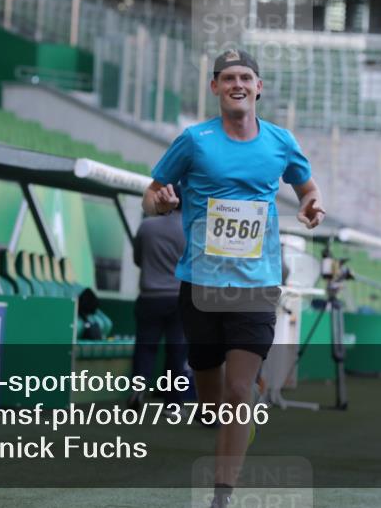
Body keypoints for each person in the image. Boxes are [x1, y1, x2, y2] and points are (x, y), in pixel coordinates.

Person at [142, 48, 325, 508]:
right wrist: (162, 202)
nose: (237, 84)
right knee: (210, 405)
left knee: (239, 389)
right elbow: (152, 194)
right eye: (228, 78)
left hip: (256, 285)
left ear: (259, 87)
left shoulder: (281, 142)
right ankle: (228, 411)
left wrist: (311, 203)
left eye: (246, 77)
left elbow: (307, 186)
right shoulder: (195, 140)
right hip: (200, 285)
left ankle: (222, 495)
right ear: (215, 87)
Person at [128, 186, 194, 410]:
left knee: (145, 347)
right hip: (179, 298)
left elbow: (138, 259)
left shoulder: (146, 226)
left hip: (149, 296)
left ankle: (139, 388)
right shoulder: (189, 230)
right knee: (177, 351)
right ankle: (173, 403)